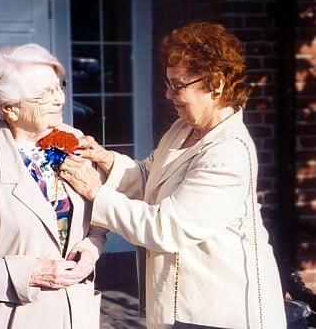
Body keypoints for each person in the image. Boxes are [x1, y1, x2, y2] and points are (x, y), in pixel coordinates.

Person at [59, 22, 287, 329]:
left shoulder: (228, 152)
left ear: (216, 84)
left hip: (219, 311)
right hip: (184, 305)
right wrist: (104, 157)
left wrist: (95, 192)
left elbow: (166, 228)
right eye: (168, 84)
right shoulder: (184, 128)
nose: (168, 94)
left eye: (177, 85)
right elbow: (149, 176)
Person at [0, 43, 106, 329]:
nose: (60, 99)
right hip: (15, 318)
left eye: (58, 87)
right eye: (44, 94)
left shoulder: (73, 141)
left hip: (77, 313)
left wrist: (91, 249)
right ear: (10, 108)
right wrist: (31, 273)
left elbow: (97, 221)